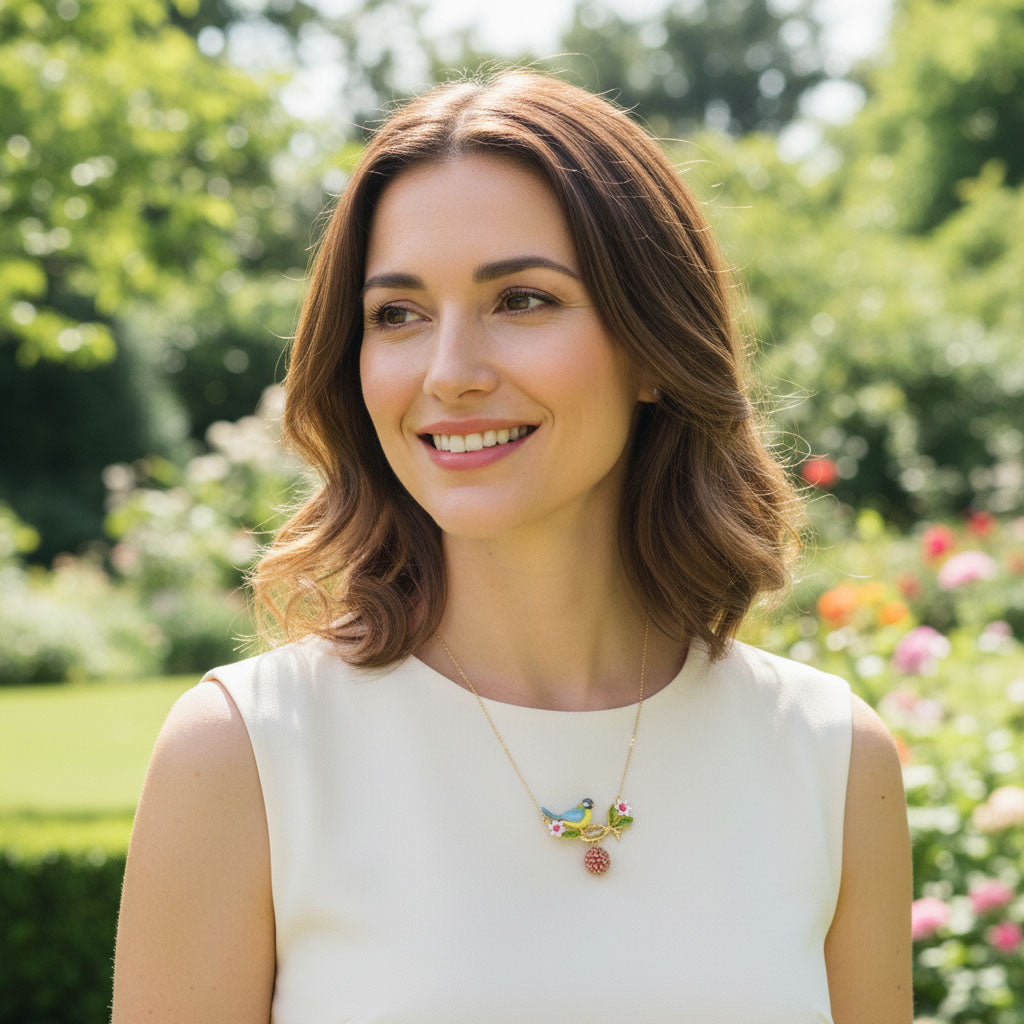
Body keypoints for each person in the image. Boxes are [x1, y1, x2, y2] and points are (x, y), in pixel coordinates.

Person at [111, 69, 912, 1023]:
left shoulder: (828, 757)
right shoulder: (246, 756)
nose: (449, 375)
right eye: (397, 315)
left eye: (522, 301)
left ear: (653, 347)